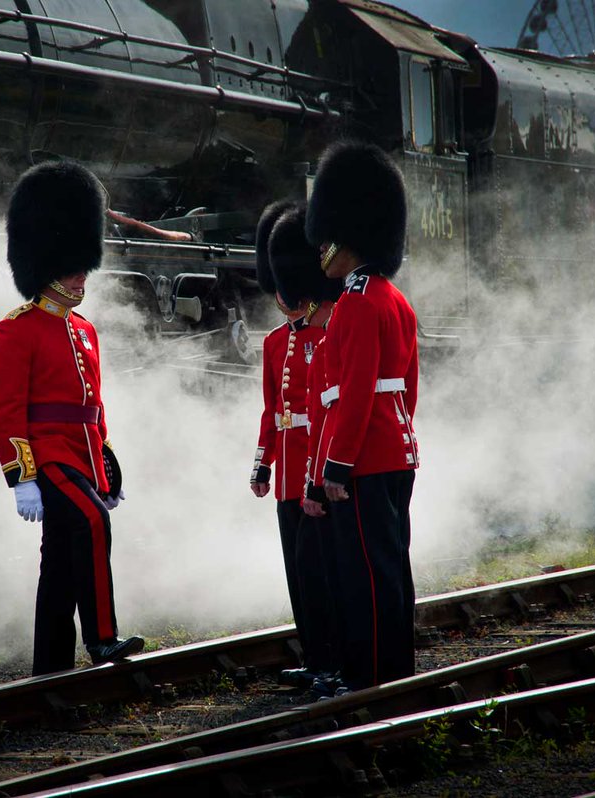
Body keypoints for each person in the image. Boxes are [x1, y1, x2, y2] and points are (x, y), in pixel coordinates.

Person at [0, 161, 143, 676]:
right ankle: (101, 638)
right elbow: (4, 408)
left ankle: (49, 666)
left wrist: (107, 460)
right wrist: (19, 476)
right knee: (93, 522)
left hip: (79, 452)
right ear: (47, 265)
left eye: (82, 265)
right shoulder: (16, 330)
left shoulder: (85, 330)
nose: (82, 275)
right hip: (47, 453)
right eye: (73, 266)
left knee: (57, 562)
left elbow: (93, 404)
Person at [304, 141, 419, 692]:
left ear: (347, 235)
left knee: (366, 574)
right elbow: (407, 390)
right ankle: (394, 669)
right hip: (397, 451)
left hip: (364, 459)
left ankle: (370, 676)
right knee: (394, 567)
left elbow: (353, 393)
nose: (321, 248)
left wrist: (336, 466)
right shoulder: (395, 299)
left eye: (327, 239)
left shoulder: (355, 302)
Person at [249, 201, 341, 688]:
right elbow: (271, 411)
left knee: (319, 569)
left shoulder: (326, 330)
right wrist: (262, 465)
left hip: (313, 465)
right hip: (286, 469)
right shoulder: (272, 343)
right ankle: (315, 656)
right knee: (297, 571)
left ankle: (333, 658)